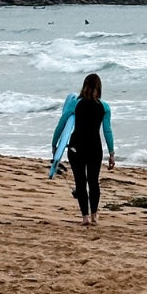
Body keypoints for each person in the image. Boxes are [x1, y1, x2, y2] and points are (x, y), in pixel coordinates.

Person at [51, 73, 115, 227]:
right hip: (94, 148)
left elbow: (62, 124)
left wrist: (55, 144)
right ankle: (94, 215)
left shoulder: (75, 104)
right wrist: (111, 153)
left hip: (76, 147)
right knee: (93, 182)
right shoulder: (104, 107)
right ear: (99, 88)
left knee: (80, 182)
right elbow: (107, 130)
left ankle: (85, 217)